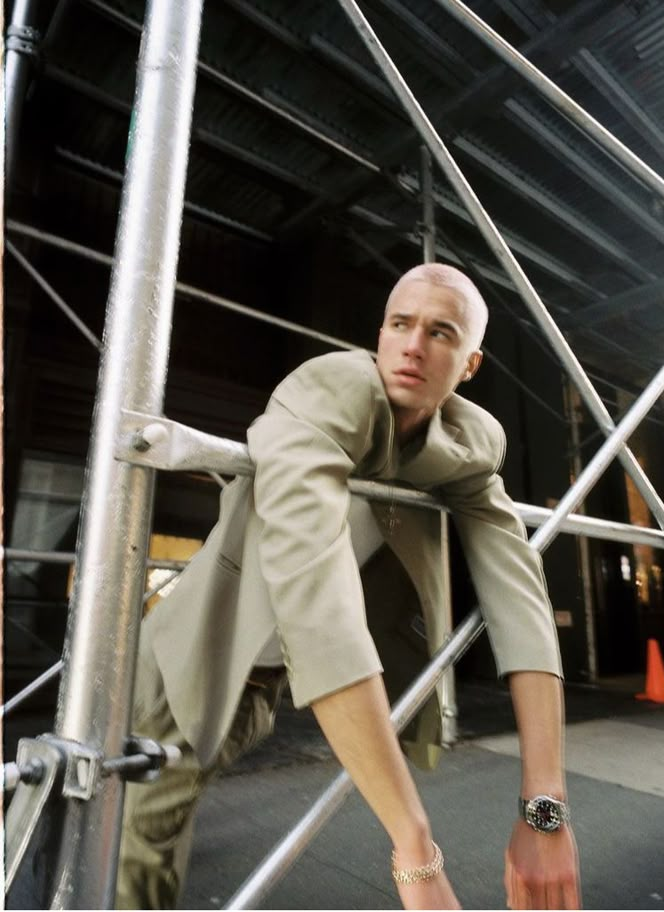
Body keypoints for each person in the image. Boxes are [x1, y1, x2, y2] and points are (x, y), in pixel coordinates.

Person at [116, 262, 581, 910]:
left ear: (470, 365)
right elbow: (319, 606)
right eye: (400, 324)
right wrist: (415, 850)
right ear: (381, 333)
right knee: (140, 840)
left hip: (262, 680)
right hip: (184, 658)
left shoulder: (470, 441)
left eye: (441, 333)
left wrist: (545, 809)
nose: (414, 345)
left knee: (120, 811)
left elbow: (519, 597)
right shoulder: (327, 390)